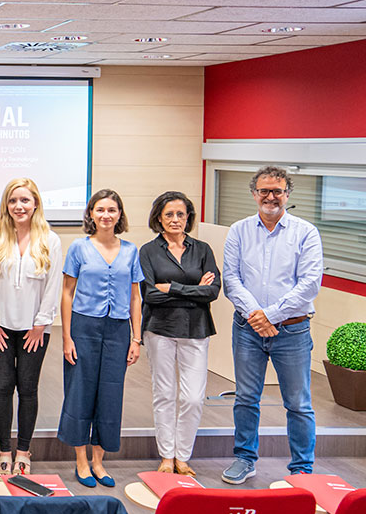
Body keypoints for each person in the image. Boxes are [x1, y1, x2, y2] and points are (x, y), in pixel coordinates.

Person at [221, 166, 323, 484]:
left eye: (277, 191)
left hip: (292, 330)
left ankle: (302, 469)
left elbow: (309, 284)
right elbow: (231, 279)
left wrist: (272, 315)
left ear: (287, 195)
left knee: (298, 402)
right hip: (248, 329)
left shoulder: (305, 232)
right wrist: (257, 315)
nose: (270, 197)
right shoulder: (238, 230)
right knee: (246, 398)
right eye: (264, 190)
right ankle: (245, 459)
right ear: (254, 194)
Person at [0, 178, 62, 480]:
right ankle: (3, 451)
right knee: (2, 387)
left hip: (34, 330)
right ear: (6, 205)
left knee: (28, 389)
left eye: (25, 200)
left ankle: (23, 452)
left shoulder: (50, 240)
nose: (19, 206)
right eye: (13, 201)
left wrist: (41, 323)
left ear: (36, 203)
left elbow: (53, 287)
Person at [59, 189, 143, 489]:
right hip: (84, 326)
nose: (106, 215)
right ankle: (81, 460)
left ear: (120, 214)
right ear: (90, 214)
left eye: (112, 209)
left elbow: (135, 296)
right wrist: (67, 337)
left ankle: (98, 460)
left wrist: (136, 338)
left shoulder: (131, 250)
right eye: (100, 210)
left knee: (110, 394)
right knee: (80, 391)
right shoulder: (78, 248)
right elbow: (67, 293)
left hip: (118, 329)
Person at [139, 191, 220, 477]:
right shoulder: (148, 251)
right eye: (169, 214)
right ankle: (167, 456)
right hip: (159, 328)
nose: (175, 220)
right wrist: (193, 290)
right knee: (164, 393)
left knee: (193, 397)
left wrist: (171, 288)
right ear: (158, 218)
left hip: (195, 329)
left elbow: (212, 292)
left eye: (180, 214)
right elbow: (149, 294)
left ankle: (183, 456)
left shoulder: (203, 249)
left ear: (188, 217)